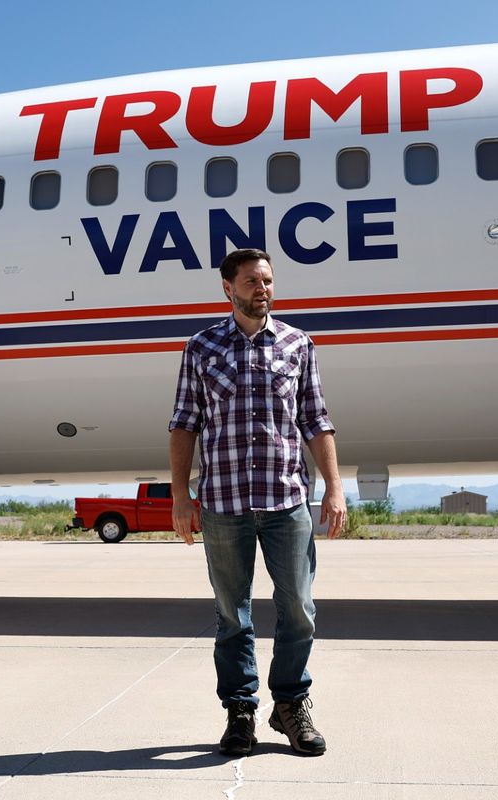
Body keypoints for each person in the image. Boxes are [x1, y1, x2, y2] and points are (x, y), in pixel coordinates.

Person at [168, 248, 347, 758]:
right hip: (223, 505)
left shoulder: (297, 344)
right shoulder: (201, 348)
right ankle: (240, 712)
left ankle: (290, 704)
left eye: (267, 280)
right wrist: (181, 496)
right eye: (251, 281)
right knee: (233, 616)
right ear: (228, 288)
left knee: (299, 609)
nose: (262, 289)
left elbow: (316, 420)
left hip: (286, 501)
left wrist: (334, 488)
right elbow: (184, 424)